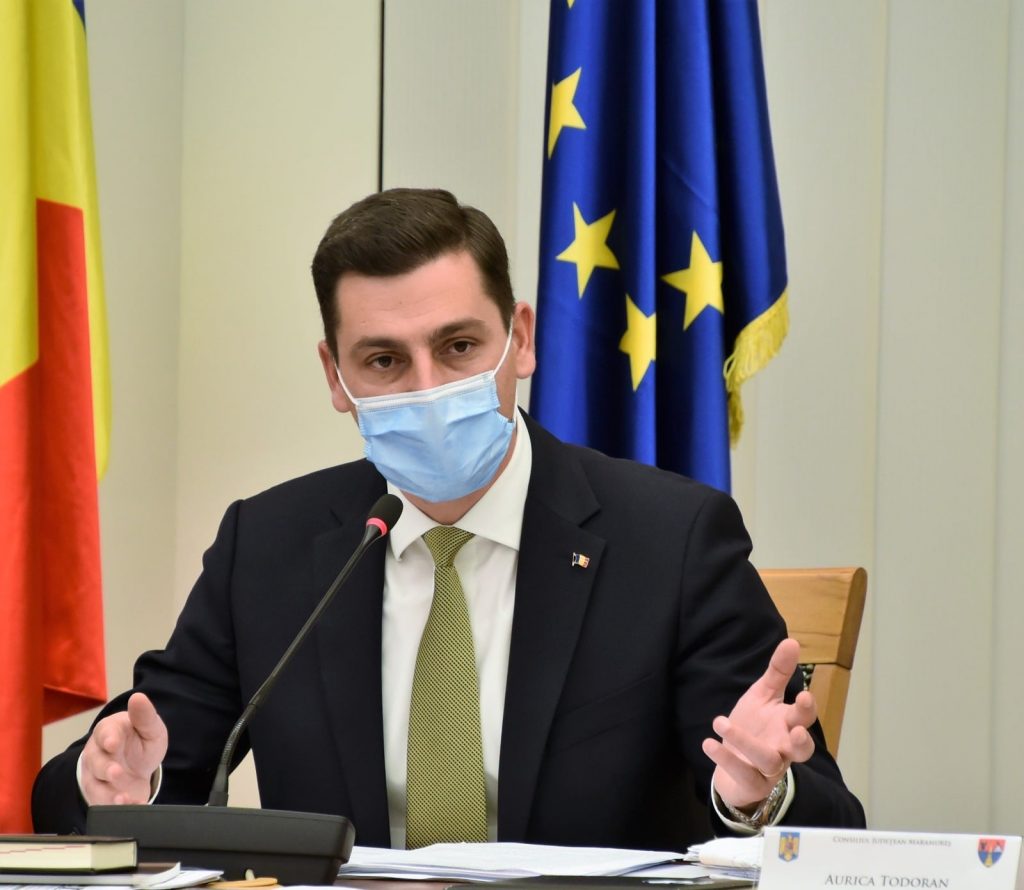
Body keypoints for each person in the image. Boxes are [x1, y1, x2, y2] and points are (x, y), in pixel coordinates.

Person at [33, 188, 865, 849]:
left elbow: (830, 824)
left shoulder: (671, 542)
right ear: (335, 377)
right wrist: (114, 781)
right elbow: (107, 786)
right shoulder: (269, 547)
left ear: (521, 339)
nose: (427, 387)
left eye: (460, 347)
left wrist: (755, 795)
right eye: (384, 360)